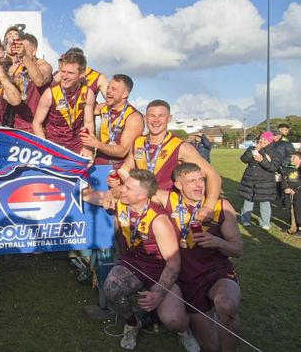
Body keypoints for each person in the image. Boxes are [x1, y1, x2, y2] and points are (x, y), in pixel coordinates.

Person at [81, 169, 194, 351]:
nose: (121, 190)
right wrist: (75, 172)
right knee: (111, 288)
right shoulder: (120, 203)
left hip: (159, 271)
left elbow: (173, 264)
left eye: (127, 187)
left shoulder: (159, 220)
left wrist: (158, 293)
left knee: (174, 321)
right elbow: (90, 195)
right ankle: (133, 324)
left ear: (142, 195)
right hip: (132, 264)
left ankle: (184, 331)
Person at [152, 163, 243, 352]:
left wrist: (218, 242)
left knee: (227, 306)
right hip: (187, 279)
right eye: (191, 181)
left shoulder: (220, 206)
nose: (199, 185)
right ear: (178, 184)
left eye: (201, 179)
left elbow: (237, 249)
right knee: (210, 347)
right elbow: (139, 190)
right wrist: (114, 193)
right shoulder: (169, 200)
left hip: (217, 272)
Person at [115, 100, 222, 222]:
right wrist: (130, 186)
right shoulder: (138, 142)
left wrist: (208, 206)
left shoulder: (181, 147)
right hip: (141, 207)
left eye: (161, 116)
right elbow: (125, 169)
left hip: (168, 211)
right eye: (152, 116)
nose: (156, 120)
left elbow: (213, 176)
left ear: (169, 118)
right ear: (145, 118)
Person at [32, 52, 95, 155]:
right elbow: (36, 123)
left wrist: (88, 147)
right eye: (63, 71)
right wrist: (45, 148)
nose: (64, 76)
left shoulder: (88, 93)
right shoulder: (50, 93)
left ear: (82, 74)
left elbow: (88, 123)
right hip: (53, 146)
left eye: (70, 73)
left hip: (77, 147)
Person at [80, 74, 144, 169]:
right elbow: (83, 109)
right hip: (98, 165)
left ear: (125, 94)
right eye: (108, 87)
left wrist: (96, 144)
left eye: (113, 89)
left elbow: (122, 151)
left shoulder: (134, 117)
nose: (108, 91)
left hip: (118, 170)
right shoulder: (104, 107)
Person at [5, 33, 53, 133]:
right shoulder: (14, 68)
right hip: (19, 127)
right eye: (18, 49)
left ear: (34, 51)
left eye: (23, 49)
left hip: (41, 128)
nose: (20, 53)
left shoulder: (44, 66)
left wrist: (24, 57)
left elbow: (39, 81)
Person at [239, 131, 283, 230]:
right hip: (250, 180)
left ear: (270, 141)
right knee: (248, 201)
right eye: (261, 138)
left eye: (265, 139)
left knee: (265, 203)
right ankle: (245, 220)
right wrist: (253, 151)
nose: (262, 141)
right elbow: (243, 159)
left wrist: (261, 157)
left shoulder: (275, 152)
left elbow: (273, 167)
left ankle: (265, 222)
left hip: (265, 182)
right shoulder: (252, 148)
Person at [283, 151, 301, 234]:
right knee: (289, 210)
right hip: (289, 193)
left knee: (298, 210)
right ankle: (293, 226)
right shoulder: (289, 169)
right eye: (291, 157)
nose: (291, 159)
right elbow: (284, 180)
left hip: (298, 193)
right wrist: (286, 188)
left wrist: (296, 190)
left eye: (294, 157)